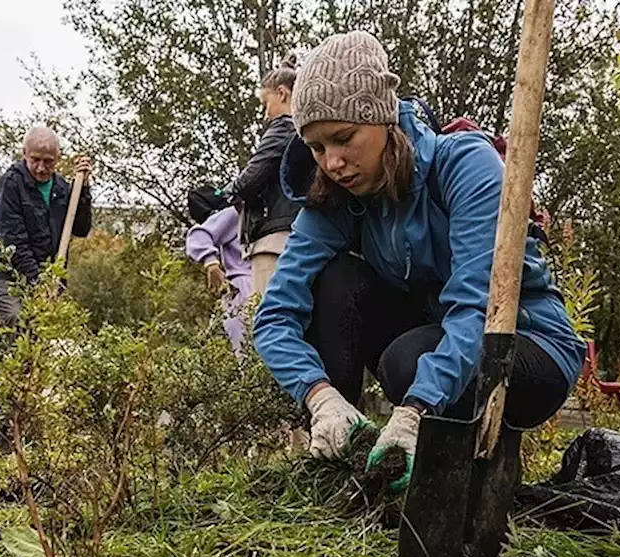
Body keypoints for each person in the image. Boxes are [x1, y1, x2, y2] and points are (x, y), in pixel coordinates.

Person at [253, 32, 586, 491]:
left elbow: (476, 309)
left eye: (344, 138)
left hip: (525, 342)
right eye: (316, 147)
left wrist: (413, 411)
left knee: (408, 362)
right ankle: (344, 463)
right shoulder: (337, 200)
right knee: (335, 281)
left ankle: (464, 473)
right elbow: (273, 317)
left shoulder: (466, 166)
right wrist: (318, 395)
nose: (332, 162)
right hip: (437, 338)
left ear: (383, 118)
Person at [0, 125, 94, 327]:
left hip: (51, 276)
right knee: (18, 321)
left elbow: (81, 229)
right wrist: (39, 284)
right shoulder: (11, 184)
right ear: (24, 154)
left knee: (47, 333)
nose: (41, 168)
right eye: (35, 160)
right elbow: (13, 241)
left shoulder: (63, 189)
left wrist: (83, 189)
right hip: (11, 276)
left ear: (58, 158)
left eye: (48, 162)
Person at [228, 55, 302, 299]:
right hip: (299, 234)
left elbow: (247, 182)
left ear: (282, 93)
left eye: (265, 103)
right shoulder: (308, 134)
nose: (264, 114)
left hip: (275, 241)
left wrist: (225, 192)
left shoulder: (283, 127)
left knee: (270, 319)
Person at [184, 185, 253, 355]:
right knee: (249, 355)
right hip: (243, 286)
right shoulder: (234, 213)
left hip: (244, 288)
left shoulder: (241, 212)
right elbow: (198, 235)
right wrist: (211, 263)